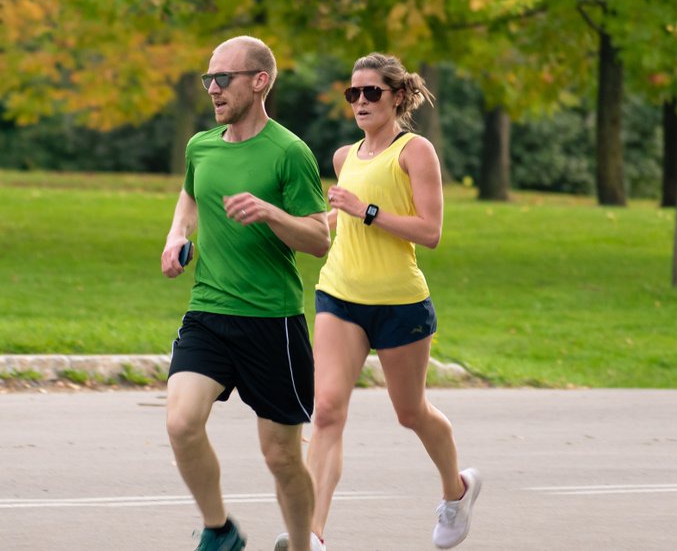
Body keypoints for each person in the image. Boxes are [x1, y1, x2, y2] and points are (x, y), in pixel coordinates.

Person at [275, 53, 480, 551]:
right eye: (353, 93)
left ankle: (457, 491)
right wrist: (281, 226)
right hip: (339, 294)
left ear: (398, 97)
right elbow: (338, 221)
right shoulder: (345, 157)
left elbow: (430, 232)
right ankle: (314, 536)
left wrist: (366, 210)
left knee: (411, 412)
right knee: (325, 412)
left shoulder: (416, 151)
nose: (361, 101)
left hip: (399, 304)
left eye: (372, 92)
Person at [161, 35, 331, 551]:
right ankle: (220, 530)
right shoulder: (201, 145)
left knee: (281, 456)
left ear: (259, 82)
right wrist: (177, 235)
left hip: (271, 322)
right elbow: (190, 195)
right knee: (181, 422)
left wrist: (270, 212)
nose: (212, 89)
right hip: (208, 312)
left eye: (223, 79)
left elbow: (320, 237)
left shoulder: (290, 152)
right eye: (208, 79)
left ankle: (304, 545)